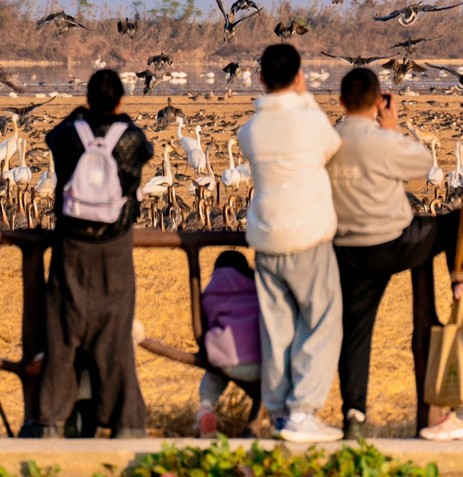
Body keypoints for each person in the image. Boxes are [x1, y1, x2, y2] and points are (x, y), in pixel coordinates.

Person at [328, 67, 462, 440]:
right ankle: (459, 279)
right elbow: (423, 165)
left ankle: (354, 415)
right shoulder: (383, 140)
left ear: (340, 102)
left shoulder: (328, 139)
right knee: (454, 223)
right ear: (376, 102)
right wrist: (392, 125)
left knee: (355, 332)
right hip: (395, 243)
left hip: (347, 250)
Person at [36, 69, 152, 438]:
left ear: (87, 100)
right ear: (120, 101)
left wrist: (78, 115)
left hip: (71, 243)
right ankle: (125, 422)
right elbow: (144, 152)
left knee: (63, 331)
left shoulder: (70, 134)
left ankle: (51, 420)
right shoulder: (131, 137)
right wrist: (122, 120)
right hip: (115, 244)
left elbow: (50, 136)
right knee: (115, 332)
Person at [237, 43, 343, 442]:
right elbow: (331, 146)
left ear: (261, 78)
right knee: (321, 321)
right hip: (308, 237)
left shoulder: (251, 130)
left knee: (276, 328)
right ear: (300, 76)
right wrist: (307, 99)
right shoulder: (310, 122)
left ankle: (280, 411)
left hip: (266, 240)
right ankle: (302, 412)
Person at [196, 250, 261, 438]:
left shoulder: (211, 291)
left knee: (214, 373)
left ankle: (206, 407)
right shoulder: (256, 287)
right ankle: (277, 419)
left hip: (227, 360)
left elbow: (206, 324)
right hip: (260, 361)